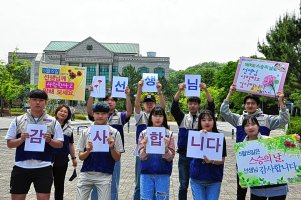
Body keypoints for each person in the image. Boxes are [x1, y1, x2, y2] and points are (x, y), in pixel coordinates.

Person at [220, 84, 290, 200]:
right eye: (248, 103)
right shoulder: (239, 119)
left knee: (259, 190)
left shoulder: (266, 118)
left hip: (263, 161)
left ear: (257, 105)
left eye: (253, 103)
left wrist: (281, 102)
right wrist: (230, 93)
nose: (250, 105)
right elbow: (224, 112)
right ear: (245, 105)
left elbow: (284, 120)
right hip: (243, 159)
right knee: (240, 191)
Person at [5, 89, 64, 200]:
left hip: (44, 167)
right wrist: (21, 139)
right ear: (29, 101)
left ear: (45, 102)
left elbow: (60, 144)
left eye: (41, 100)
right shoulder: (18, 120)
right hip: (21, 166)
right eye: (34, 100)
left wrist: (49, 141)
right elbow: (9, 144)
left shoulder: (53, 121)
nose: (37, 102)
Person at [86, 86, 132, 200]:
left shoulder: (120, 116)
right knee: (96, 183)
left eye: (112, 100)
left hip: (113, 153)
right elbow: (89, 111)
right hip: (97, 153)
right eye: (107, 100)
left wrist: (127, 95)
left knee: (113, 182)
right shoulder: (98, 116)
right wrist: (91, 94)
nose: (110, 102)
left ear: (115, 103)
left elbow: (129, 112)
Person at [171, 82, 215, 200]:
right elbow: (174, 107)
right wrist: (180, 90)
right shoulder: (183, 118)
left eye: (195, 104)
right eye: (190, 104)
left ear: (199, 105)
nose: (192, 106)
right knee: (183, 185)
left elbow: (211, 105)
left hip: (199, 156)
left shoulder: (204, 118)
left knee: (198, 184)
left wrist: (205, 90)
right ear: (188, 105)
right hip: (184, 156)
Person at [76, 102, 124, 200]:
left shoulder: (114, 133)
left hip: (105, 174)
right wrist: (88, 151)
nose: (100, 116)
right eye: (97, 113)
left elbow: (117, 157)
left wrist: (112, 147)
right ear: (93, 114)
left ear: (108, 114)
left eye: (103, 113)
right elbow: (81, 157)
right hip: (86, 173)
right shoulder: (86, 132)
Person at [133, 79, 166, 200]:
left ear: (155, 103)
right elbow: (136, 105)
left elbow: (163, 106)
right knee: (138, 182)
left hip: (157, 153)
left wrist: (159, 91)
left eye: (151, 102)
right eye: (146, 102)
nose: (149, 104)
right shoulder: (139, 116)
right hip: (141, 153)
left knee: (153, 183)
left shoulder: (158, 117)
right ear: (143, 104)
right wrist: (139, 88)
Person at [242, 116, 288, 200]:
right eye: (247, 125)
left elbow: (286, 155)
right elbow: (243, 169)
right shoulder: (242, 149)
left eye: (253, 124)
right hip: (257, 191)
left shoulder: (270, 141)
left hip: (277, 188)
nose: (250, 127)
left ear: (258, 126)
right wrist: (243, 179)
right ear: (243, 129)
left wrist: (295, 142)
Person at [138, 106, 175, 200]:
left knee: (162, 198)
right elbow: (141, 156)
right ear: (151, 117)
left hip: (163, 173)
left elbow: (171, 157)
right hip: (146, 172)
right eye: (155, 115)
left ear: (164, 118)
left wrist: (166, 149)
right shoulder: (144, 133)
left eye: (160, 115)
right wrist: (145, 148)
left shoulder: (168, 134)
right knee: (145, 198)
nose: (157, 118)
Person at [190, 110, 226, 200]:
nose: (207, 122)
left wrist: (211, 161)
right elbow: (191, 153)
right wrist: (200, 136)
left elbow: (222, 160)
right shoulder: (195, 135)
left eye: (210, 120)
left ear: (214, 121)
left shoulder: (220, 138)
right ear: (199, 122)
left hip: (214, 179)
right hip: (197, 178)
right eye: (203, 120)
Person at [53, 105, 78, 200]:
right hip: (48, 159)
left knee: (59, 185)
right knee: (45, 184)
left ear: (68, 115)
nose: (63, 113)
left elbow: (70, 144)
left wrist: (73, 158)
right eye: (61, 111)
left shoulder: (69, 128)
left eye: (65, 112)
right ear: (57, 112)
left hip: (62, 160)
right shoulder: (49, 124)